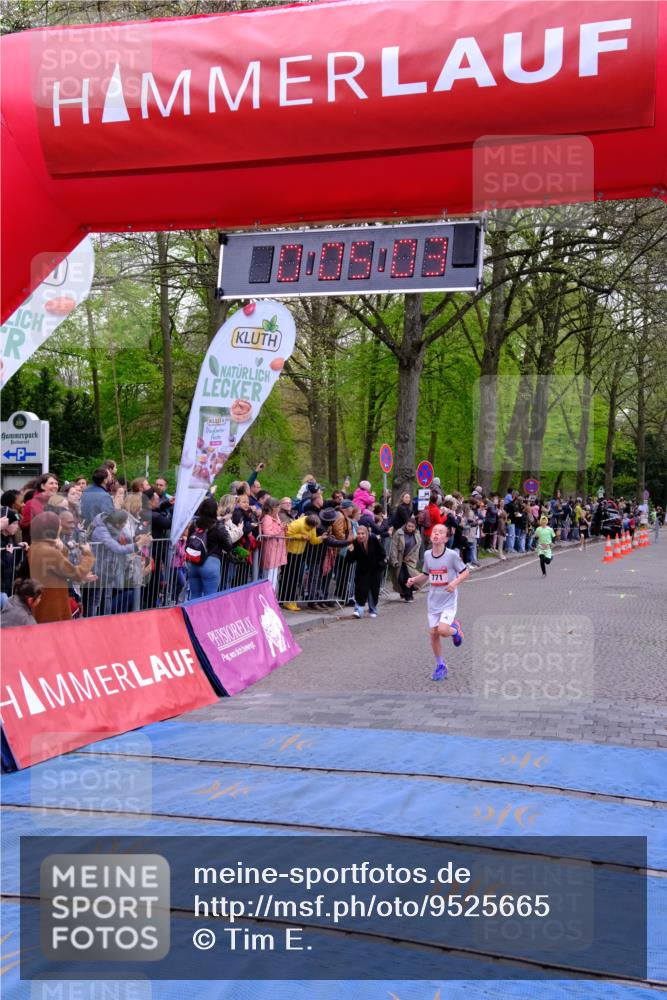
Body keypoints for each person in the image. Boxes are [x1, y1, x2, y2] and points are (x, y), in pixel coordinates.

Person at [407, 523, 469, 681]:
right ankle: (440, 665)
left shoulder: (452, 555)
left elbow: (465, 571)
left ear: (446, 538)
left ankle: (455, 630)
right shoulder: (427, 555)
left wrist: (454, 583)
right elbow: (426, 574)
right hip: (433, 600)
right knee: (433, 633)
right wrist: (414, 580)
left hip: (449, 600)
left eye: (440, 532)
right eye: (434, 531)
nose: (436, 534)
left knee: (442, 630)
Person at [28, 512, 96, 623]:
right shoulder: (49, 552)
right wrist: (88, 555)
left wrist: (62, 548)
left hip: (42, 605)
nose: (60, 528)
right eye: (58, 525)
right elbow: (77, 574)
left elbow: (58, 569)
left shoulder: (34, 547)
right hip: (54, 609)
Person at [186, 497, 234, 599]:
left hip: (193, 563)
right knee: (210, 599)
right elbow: (228, 545)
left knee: (194, 596)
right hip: (210, 563)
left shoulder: (194, 524)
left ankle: (193, 615)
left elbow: (188, 542)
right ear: (214, 511)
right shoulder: (218, 526)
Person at [346, 523, 387, 618]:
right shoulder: (355, 542)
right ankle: (358, 610)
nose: (360, 536)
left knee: (372, 590)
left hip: (374, 569)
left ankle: (373, 609)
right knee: (360, 589)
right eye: (359, 533)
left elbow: (382, 553)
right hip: (362, 570)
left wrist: (381, 564)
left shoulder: (373, 539)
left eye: (362, 534)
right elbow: (350, 560)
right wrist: (350, 551)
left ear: (367, 533)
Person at [389, 517, 421, 601]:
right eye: (409, 526)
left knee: (409, 578)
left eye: (412, 527)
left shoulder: (417, 535)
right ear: (406, 525)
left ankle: (408, 595)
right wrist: (394, 560)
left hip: (409, 560)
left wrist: (415, 560)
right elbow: (394, 547)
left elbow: (417, 549)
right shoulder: (398, 533)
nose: (410, 528)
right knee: (400, 578)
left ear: (415, 527)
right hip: (399, 558)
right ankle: (403, 592)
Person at [260, 497, 287, 594]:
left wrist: (283, 527)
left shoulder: (275, 517)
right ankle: (268, 596)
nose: (279, 509)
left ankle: (270, 596)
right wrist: (280, 529)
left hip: (276, 550)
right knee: (270, 576)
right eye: (278, 507)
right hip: (271, 550)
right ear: (273, 508)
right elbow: (267, 533)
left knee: (274, 575)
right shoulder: (267, 518)